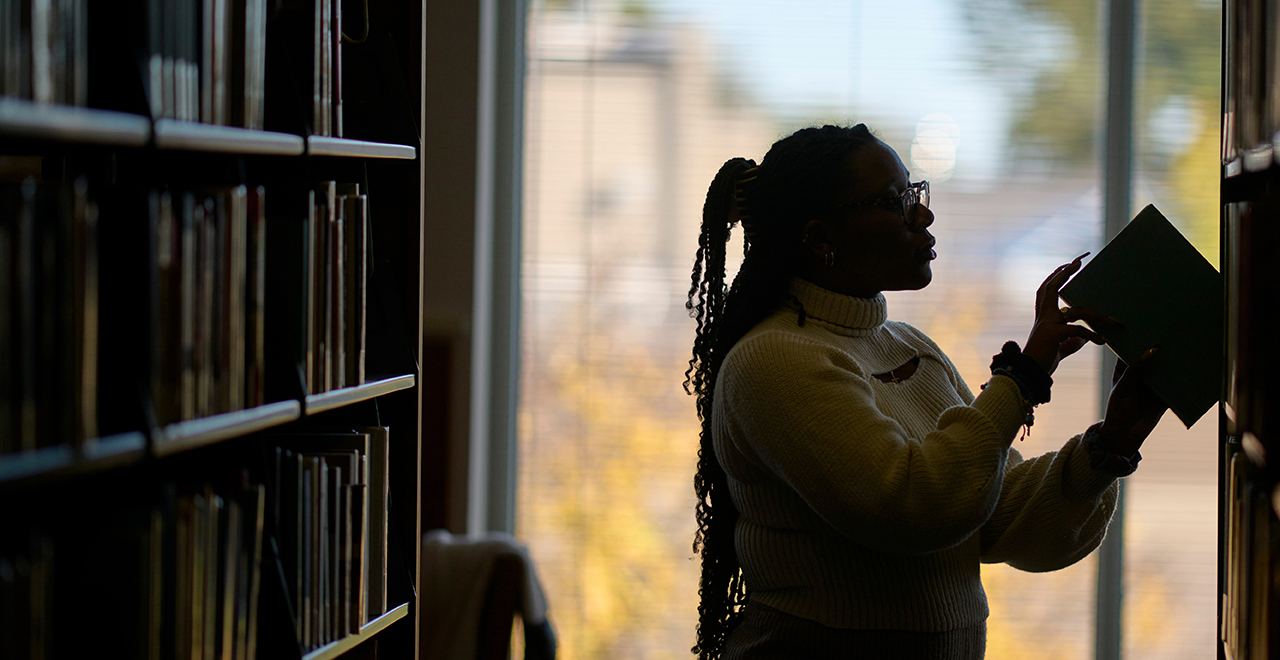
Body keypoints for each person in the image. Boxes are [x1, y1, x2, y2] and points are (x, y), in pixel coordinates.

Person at [684, 124, 1168, 660]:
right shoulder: (772, 360)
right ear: (821, 239)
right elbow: (915, 506)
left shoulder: (908, 345)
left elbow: (997, 513)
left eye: (915, 193)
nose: (923, 215)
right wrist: (1024, 375)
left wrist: (1111, 443)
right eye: (894, 202)